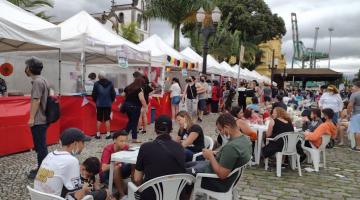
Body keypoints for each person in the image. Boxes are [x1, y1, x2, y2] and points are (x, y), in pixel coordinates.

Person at [185, 113, 252, 192]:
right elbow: (231, 157)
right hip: (220, 175)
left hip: (217, 182)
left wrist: (210, 156)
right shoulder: (244, 139)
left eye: (220, 130)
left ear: (226, 127)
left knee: (183, 174)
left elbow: (222, 175)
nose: (221, 133)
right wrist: (216, 153)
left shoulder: (232, 147)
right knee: (187, 165)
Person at [133, 115, 186, 200]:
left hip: (152, 196)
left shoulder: (145, 147)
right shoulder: (180, 147)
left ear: (155, 130)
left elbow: (137, 179)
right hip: (176, 195)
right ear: (171, 130)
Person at [34, 128, 91, 199]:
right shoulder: (72, 161)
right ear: (75, 143)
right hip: (55, 198)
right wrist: (84, 188)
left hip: (37, 196)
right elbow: (77, 196)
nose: (83, 146)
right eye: (83, 142)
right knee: (104, 192)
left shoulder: (50, 155)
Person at [25, 57, 50, 179]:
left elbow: (36, 100)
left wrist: (31, 118)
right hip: (43, 118)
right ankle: (42, 167)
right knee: (41, 145)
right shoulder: (43, 80)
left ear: (29, 69)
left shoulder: (37, 82)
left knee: (41, 146)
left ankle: (42, 171)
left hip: (39, 119)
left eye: (27, 66)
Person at [100, 130, 131, 199]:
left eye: (125, 141)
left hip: (119, 169)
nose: (124, 143)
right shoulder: (108, 149)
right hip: (106, 175)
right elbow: (103, 168)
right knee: (117, 167)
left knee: (134, 164)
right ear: (114, 140)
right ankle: (122, 195)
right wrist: (115, 162)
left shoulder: (126, 147)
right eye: (121, 141)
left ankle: (136, 186)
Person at [92, 71, 116, 139]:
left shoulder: (96, 84)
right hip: (108, 104)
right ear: (105, 76)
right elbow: (113, 94)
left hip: (99, 104)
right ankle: (108, 134)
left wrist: (96, 101)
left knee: (99, 119)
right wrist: (111, 101)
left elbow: (94, 94)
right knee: (107, 119)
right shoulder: (110, 83)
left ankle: (98, 134)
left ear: (99, 77)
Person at [123, 77, 148, 143]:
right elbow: (142, 99)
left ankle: (124, 136)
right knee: (134, 123)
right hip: (135, 107)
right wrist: (146, 107)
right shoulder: (139, 89)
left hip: (127, 106)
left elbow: (123, 95)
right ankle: (134, 138)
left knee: (131, 121)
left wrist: (128, 100)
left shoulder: (128, 87)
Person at [347, 81, 360, 151]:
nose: (352, 87)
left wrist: (348, 114)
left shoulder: (354, 94)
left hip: (357, 114)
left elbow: (350, 105)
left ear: (357, 86)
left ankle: (358, 146)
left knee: (358, 130)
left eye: (353, 86)